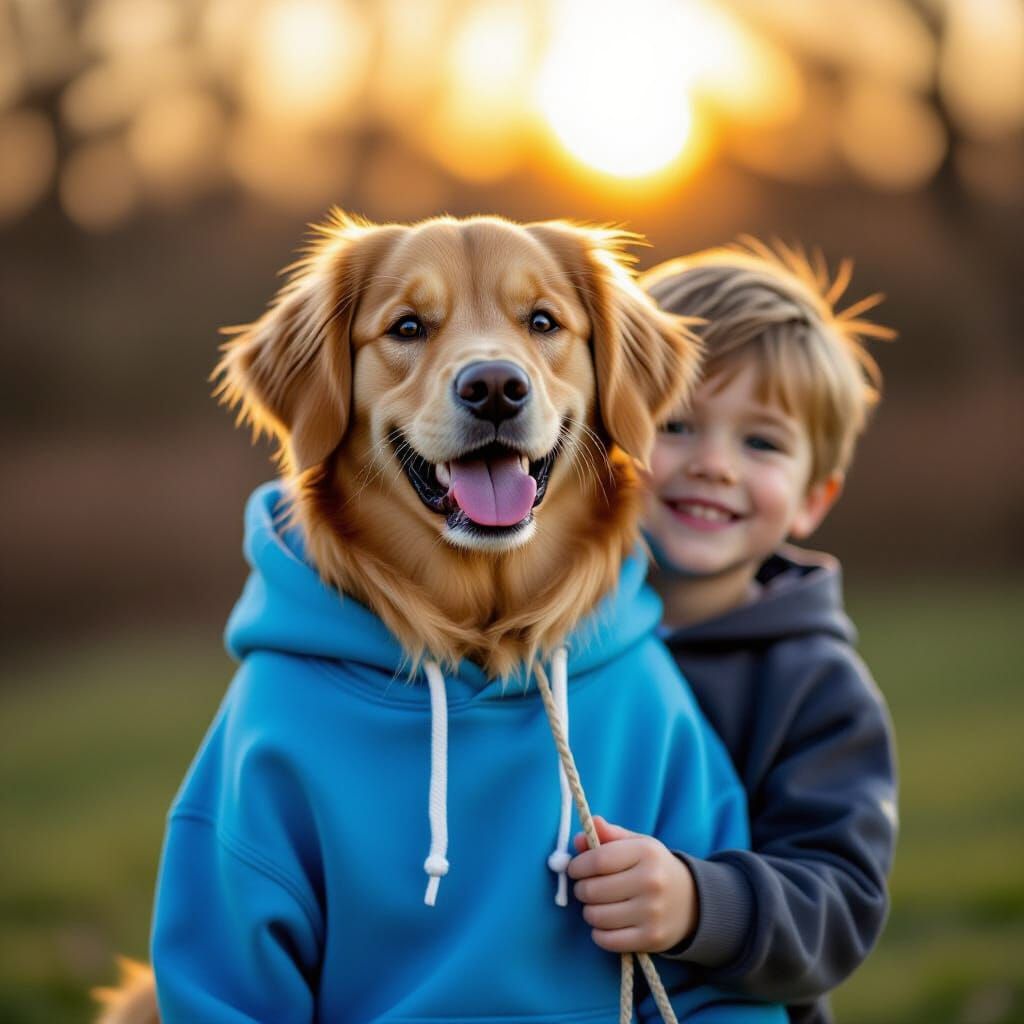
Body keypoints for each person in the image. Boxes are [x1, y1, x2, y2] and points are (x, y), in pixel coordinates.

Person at [568, 239, 898, 1024]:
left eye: (761, 443)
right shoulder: (551, 639)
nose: (714, 465)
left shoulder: (815, 686)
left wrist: (697, 903)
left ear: (814, 497)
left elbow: (840, 907)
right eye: (676, 425)